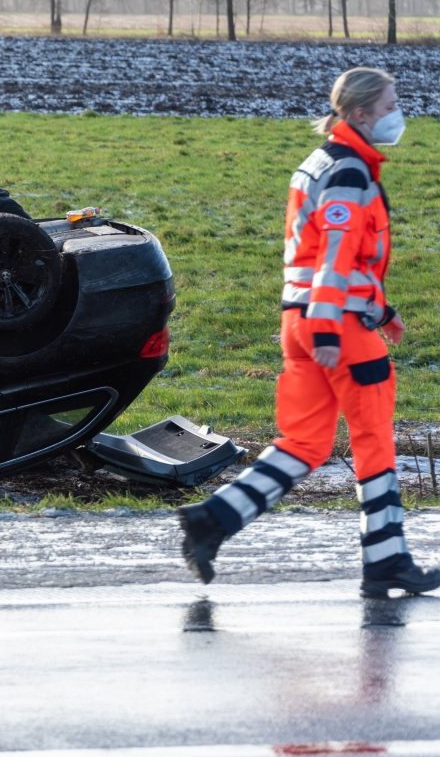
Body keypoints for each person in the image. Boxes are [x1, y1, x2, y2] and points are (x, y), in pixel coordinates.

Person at [177, 66, 440, 599]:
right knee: (373, 443)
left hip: (303, 321)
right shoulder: (349, 171)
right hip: (336, 327)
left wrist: (381, 310)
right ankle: (387, 563)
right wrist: (333, 327)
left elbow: (326, 256)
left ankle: (212, 520)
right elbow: (337, 258)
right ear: (361, 113)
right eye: (391, 105)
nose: (398, 114)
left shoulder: (321, 161)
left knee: (305, 443)